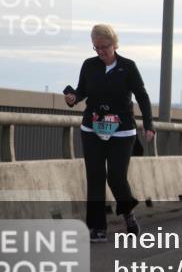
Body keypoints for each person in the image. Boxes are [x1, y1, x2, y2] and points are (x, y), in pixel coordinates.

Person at [65, 24, 154, 243]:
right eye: (96, 48)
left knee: (116, 176)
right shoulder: (89, 65)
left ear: (114, 44)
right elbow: (82, 91)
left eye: (104, 47)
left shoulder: (128, 67)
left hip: (122, 130)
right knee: (95, 177)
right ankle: (97, 227)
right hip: (92, 127)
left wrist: (149, 124)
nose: (100, 52)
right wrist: (73, 98)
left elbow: (142, 96)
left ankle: (128, 213)